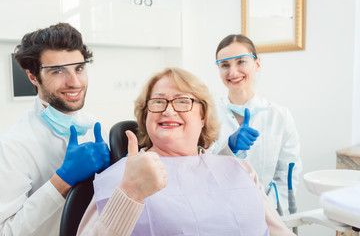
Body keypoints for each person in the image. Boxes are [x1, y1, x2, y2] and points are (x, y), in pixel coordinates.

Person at [77, 67, 295, 236]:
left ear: (203, 116)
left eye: (183, 101)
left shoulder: (239, 169)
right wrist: (129, 193)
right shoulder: (123, 177)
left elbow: (279, 231)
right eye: (158, 101)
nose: (169, 110)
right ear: (145, 116)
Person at [0, 23, 110, 235]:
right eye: (58, 71)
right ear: (33, 76)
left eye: (79, 68)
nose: (75, 82)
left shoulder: (94, 126)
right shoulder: (11, 145)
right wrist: (62, 181)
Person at [208, 34, 302, 213]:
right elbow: (201, 167)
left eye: (241, 62)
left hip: (267, 214)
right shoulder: (207, 114)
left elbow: (287, 174)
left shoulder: (279, 116)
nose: (233, 72)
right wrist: (228, 148)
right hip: (218, 212)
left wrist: (266, 212)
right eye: (225, 65)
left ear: (257, 63)